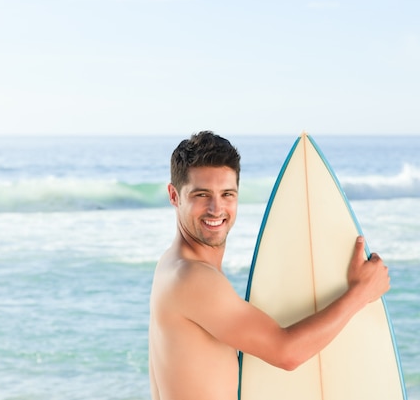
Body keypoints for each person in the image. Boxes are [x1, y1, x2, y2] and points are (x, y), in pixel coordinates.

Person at [148, 131, 390, 400]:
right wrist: (361, 292)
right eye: (202, 195)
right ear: (174, 195)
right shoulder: (192, 277)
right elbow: (286, 353)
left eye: (227, 194)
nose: (216, 209)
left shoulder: (172, 265)